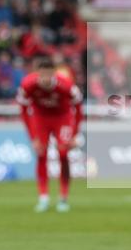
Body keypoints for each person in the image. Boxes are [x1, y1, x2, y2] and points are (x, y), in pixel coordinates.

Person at [16, 57, 83, 213]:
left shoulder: (66, 85)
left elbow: (78, 108)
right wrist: (32, 137)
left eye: (48, 74)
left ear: (54, 73)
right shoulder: (28, 85)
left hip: (63, 118)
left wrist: (74, 133)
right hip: (40, 119)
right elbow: (24, 110)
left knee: (63, 153)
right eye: (42, 74)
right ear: (37, 73)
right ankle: (43, 198)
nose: (45, 79)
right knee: (41, 154)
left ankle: (63, 198)